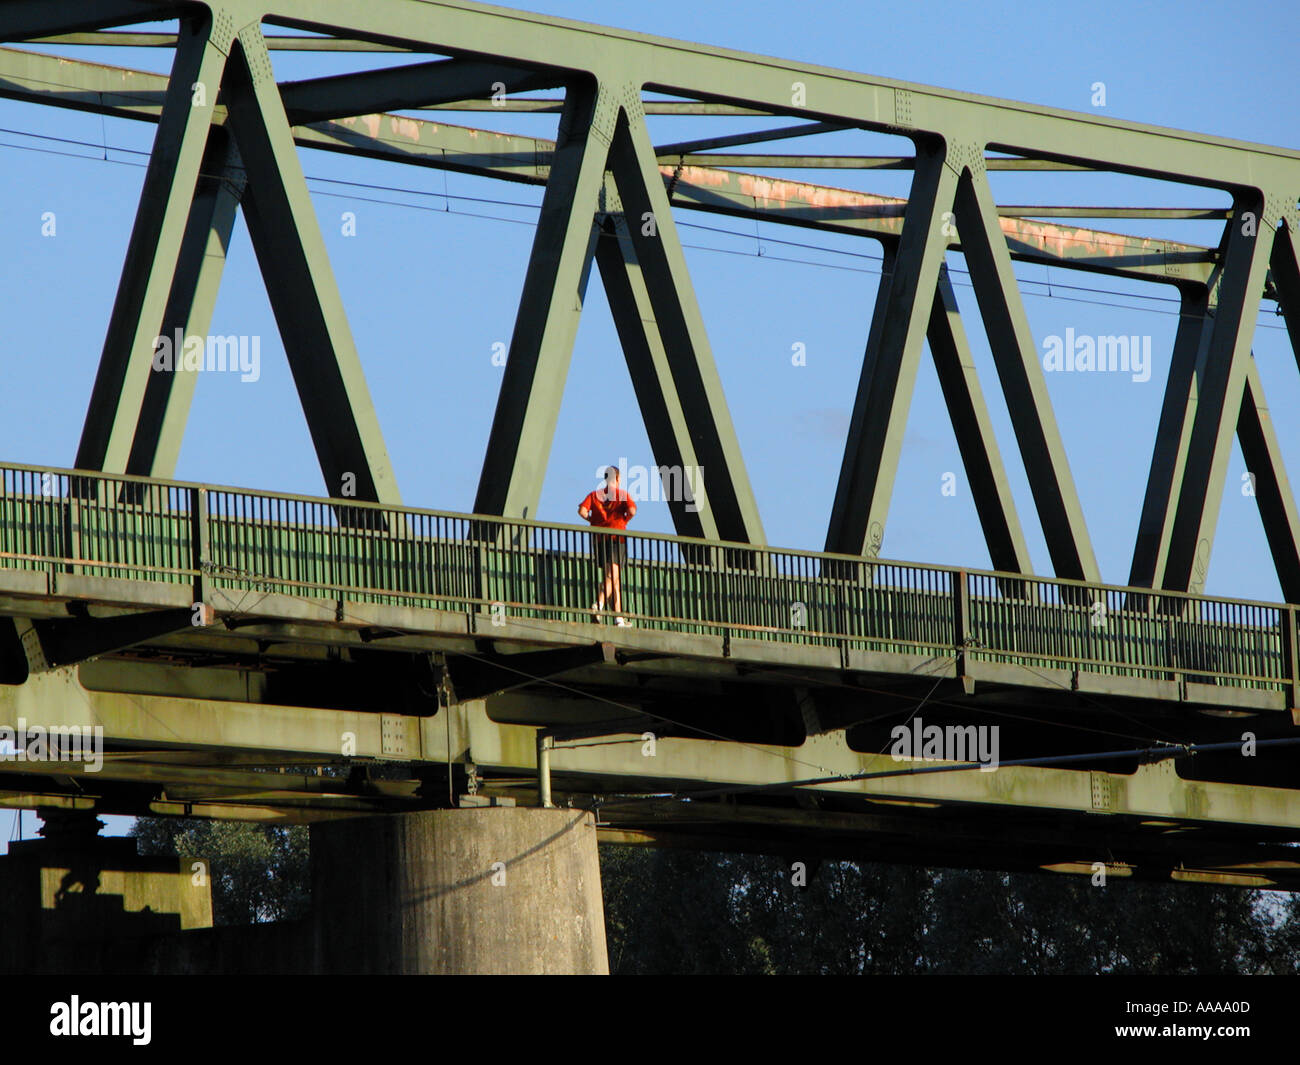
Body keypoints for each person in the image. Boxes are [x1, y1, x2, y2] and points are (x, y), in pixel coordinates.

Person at [578, 465, 636, 626]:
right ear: (617, 479)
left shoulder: (594, 495)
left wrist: (592, 521)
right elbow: (631, 511)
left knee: (614, 578)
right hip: (617, 538)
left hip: (599, 540)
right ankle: (598, 604)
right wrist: (624, 521)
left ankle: (618, 618)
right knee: (613, 576)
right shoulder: (622, 495)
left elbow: (582, 511)